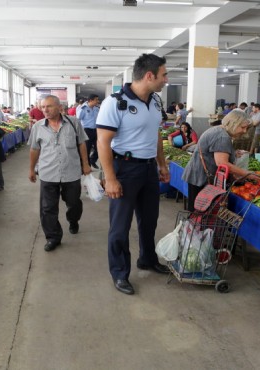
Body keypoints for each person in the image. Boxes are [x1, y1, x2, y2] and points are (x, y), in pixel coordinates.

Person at [96, 53, 171, 295]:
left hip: (149, 168)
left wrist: (161, 164)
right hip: (124, 169)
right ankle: (119, 273)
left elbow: (155, 133)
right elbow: (103, 143)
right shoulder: (115, 103)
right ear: (149, 76)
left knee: (149, 220)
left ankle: (147, 258)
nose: (166, 79)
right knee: (120, 227)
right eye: (164, 75)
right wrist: (110, 178)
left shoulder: (156, 101)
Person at [28, 95, 91, 252]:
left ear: (59, 107)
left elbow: (81, 143)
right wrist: (31, 169)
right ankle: (53, 237)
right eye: (43, 107)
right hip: (48, 172)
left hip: (71, 171)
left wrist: (85, 164)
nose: (45, 110)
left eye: (49, 106)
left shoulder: (73, 122)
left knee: (74, 203)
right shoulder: (38, 127)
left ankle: (73, 220)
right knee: (47, 208)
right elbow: (34, 149)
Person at [182, 110, 252, 211]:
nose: (244, 131)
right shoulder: (222, 136)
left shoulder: (217, 130)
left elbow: (214, 151)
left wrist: (232, 152)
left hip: (197, 175)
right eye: (243, 127)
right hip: (202, 179)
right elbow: (222, 163)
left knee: (196, 213)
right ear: (233, 123)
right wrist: (246, 174)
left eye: (246, 128)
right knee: (200, 215)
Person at [77, 94, 101, 169]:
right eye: (96, 100)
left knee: (99, 148)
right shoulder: (82, 109)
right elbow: (78, 120)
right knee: (86, 149)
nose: (98, 101)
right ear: (90, 100)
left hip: (96, 130)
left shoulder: (97, 108)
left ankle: (92, 160)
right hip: (86, 131)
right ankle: (87, 166)